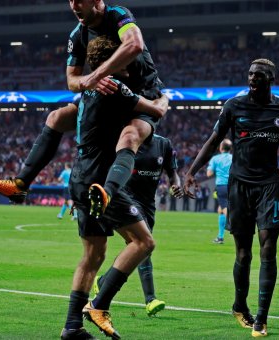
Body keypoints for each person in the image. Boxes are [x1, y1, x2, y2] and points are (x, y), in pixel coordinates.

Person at [0, 0, 164, 217]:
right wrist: (89, 81)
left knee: (130, 136)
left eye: (79, 0)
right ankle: (20, 185)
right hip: (107, 96)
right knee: (57, 117)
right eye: (70, 0)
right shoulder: (78, 34)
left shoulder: (118, 15)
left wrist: (97, 75)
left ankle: (108, 193)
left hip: (143, 98)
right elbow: (71, 80)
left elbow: (134, 45)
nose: (74, 5)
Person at [61, 36, 168, 340]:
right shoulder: (114, 86)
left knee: (93, 253)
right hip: (101, 177)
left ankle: (71, 327)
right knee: (143, 242)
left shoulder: (90, 90)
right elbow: (156, 111)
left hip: (80, 175)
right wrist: (164, 99)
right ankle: (99, 305)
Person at [183, 59, 279, 337]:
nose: (252, 79)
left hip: (269, 185)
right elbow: (213, 140)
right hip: (239, 185)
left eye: (258, 75)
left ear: (270, 78)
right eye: (250, 75)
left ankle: (262, 318)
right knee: (243, 253)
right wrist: (191, 171)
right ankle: (239, 305)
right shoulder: (234, 106)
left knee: (268, 248)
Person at [93, 134, 183, 317]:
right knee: (144, 244)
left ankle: (103, 281)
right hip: (126, 199)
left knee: (139, 247)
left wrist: (175, 185)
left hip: (148, 203)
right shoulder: (127, 139)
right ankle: (150, 299)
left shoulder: (164, 144)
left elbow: (172, 173)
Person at [207, 138, 233, 244]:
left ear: (221, 148)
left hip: (221, 185)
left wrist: (217, 171)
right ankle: (220, 237)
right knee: (220, 209)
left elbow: (209, 173)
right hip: (232, 185)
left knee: (225, 208)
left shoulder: (216, 159)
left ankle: (232, 225)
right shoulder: (234, 158)